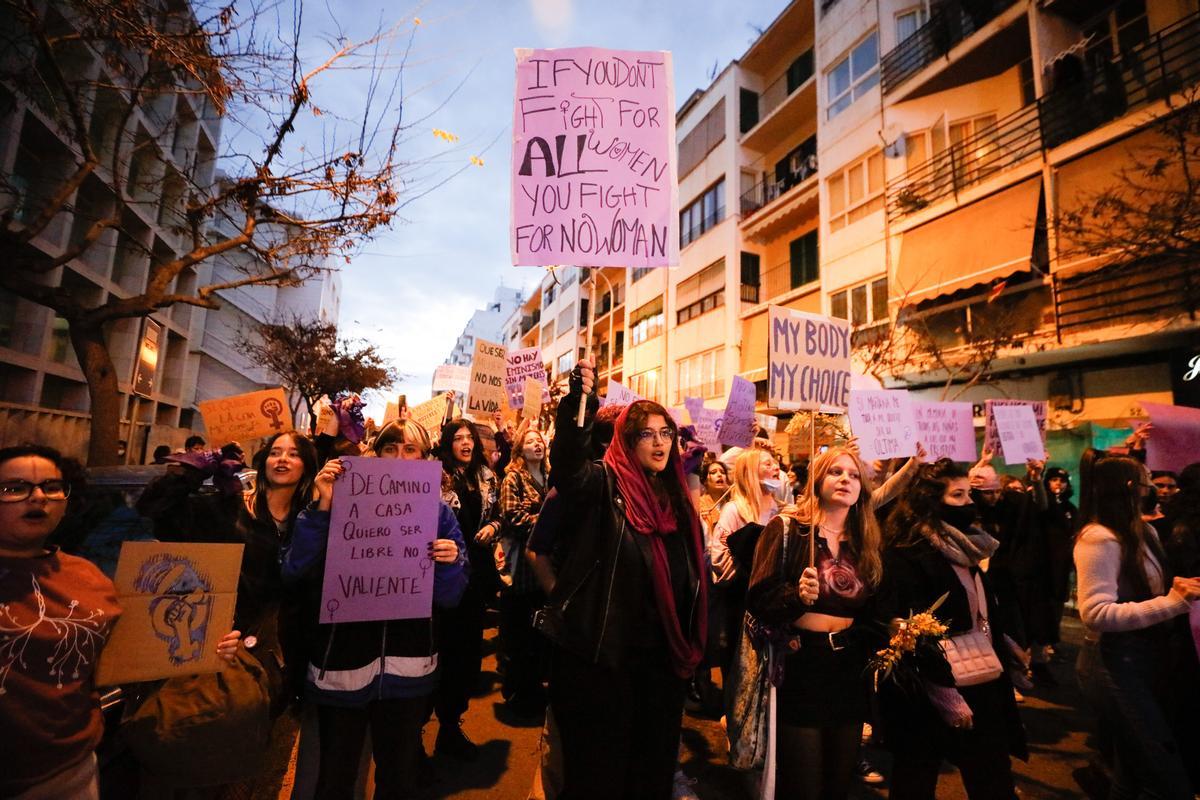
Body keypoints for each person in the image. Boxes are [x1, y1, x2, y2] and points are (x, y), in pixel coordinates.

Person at [0, 444, 238, 800]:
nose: (37, 497)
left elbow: (134, 651)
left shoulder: (90, 577)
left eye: (51, 487)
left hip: (73, 772)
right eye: (14, 488)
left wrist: (210, 643)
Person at [544, 359, 707, 799]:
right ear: (626, 441)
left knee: (650, 772)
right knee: (601, 773)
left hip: (662, 664)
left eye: (665, 433)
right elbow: (568, 466)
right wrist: (580, 401)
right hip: (605, 660)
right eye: (646, 434)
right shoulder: (601, 485)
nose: (659, 443)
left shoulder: (675, 497)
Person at [281, 418, 468, 800]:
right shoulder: (335, 502)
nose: (399, 457)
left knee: (399, 780)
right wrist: (321, 508)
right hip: (342, 670)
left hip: (408, 671)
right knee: (334, 780)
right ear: (374, 453)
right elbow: (294, 571)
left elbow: (451, 597)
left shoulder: (439, 515)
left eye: (410, 449)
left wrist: (451, 563)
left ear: (424, 460)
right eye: (389, 448)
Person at [877, 458, 1028, 799]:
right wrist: (941, 691)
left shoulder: (967, 545)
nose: (968, 503)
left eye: (968, 494)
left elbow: (976, 605)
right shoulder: (907, 555)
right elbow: (903, 629)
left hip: (980, 679)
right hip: (930, 692)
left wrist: (1002, 643)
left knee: (992, 776)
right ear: (930, 502)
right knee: (916, 777)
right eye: (957, 496)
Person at [744, 446, 885, 800]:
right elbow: (757, 600)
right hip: (801, 665)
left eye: (853, 475)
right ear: (817, 479)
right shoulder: (788, 528)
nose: (845, 480)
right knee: (803, 784)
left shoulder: (866, 540)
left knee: (839, 783)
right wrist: (795, 597)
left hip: (848, 669)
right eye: (835, 472)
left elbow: (873, 610)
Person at [1074, 455, 1200, 800]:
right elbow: (1096, 613)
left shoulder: (1142, 530)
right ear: (1132, 487)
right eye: (1147, 478)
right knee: (1164, 769)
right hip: (1114, 661)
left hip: (1147, 657)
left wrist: (1182, 586)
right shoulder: (1099, 538)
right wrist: (1173, 602)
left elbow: (1155, 586)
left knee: (1131, 770)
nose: (1155, 485)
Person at [432, 419, 501, 759]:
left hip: (477, 577)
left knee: (466, 656)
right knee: (441, 651)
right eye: (458, 438)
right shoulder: (435, 476)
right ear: (447, 443)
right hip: (443, 575)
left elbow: (500, 514)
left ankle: (450, 726)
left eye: (469, 438)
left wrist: (493, 525)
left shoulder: (487, 477)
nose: (465, 444)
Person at [497, 423, 550, 713]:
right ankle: (517, 691)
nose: (537, 445)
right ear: (520, 450)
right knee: (520, 632)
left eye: (540, 441)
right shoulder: (513, 478)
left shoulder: (550, 477)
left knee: (539, 632)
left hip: (545, 566)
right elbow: (512, 517)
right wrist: (546, 519)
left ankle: (533, 685)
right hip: (522, 569)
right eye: (530, 442)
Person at [1041, 467, 1077, 657]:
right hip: (1045, 563)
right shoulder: (1043, 504)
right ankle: (1043, 642)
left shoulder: (1070, 508)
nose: (1058, 483)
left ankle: (1053, 640)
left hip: (1062, 565)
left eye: (1062, 480)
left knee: (1057, 603)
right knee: (1045, 603)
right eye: (1054, 479)